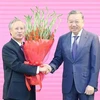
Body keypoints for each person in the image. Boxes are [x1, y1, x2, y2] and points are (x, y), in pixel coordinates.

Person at [42, 10, 100, 100]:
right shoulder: (63, 39)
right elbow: (57, 59)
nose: (73, 24)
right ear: (67, 22)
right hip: (68, 85)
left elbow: (95, 64)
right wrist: (49, 67)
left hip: (86, 85)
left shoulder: (93, 38)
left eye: (76, 21)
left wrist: (92, 84)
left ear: (83, 22)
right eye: (71, 22)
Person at [2, 18, 48, 100]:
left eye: (22, 28)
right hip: (15, 92)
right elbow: (16, 65)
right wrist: (38, 69)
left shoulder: (27, 46)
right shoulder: (8, 48)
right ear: (10, 31)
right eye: (16, 28)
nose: (19, 31)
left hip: (29, 90)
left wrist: (40, 65)